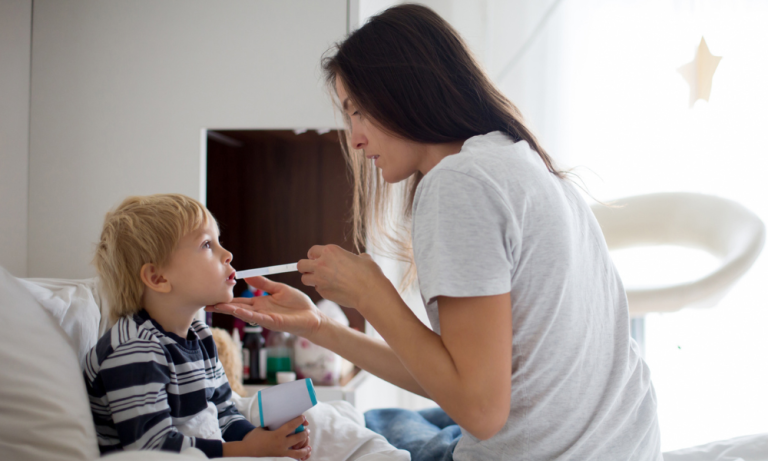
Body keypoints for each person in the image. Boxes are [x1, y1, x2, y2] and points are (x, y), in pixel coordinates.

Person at [210, 4, 662, 461]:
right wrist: (320, 326)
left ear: (405, 91)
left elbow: (481, 411)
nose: (354, 138)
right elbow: (460, 382)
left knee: (336, 428)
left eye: (359, 111)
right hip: (628, 443)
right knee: (388, 422)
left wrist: (370, 293)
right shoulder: (519, 161)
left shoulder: (458, 184)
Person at [83, 194, 311, 459]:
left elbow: (225, 412)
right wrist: (249, 449)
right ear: (158, 277)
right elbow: (152, 449)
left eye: (218, 242)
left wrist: (262, 440)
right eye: (206, 244)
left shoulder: (201, 336)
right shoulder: (133, 349)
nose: (228, 254)